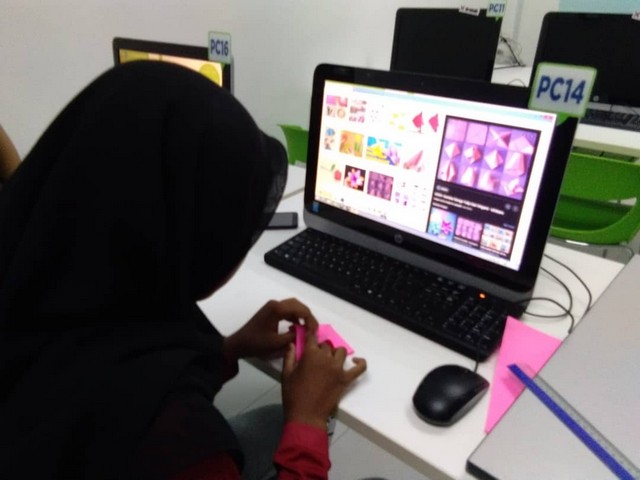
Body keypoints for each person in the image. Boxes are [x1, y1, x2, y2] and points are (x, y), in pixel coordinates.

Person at [0, 61, 366, 479]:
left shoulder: (37, 277)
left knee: (268, 426)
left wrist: (226, 350)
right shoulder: (178, 444)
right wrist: (308, 422)